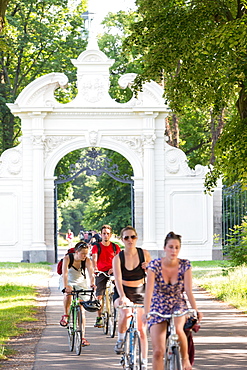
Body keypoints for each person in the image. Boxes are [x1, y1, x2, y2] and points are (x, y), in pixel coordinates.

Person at [142, 231, 203, 370]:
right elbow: (149, 292)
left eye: (176, 247)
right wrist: (146, 312)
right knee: (158, 351)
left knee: (178, 329)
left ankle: (185, 360)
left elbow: (188, 290)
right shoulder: (154, 265)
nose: (173, 250)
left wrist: (195, 310)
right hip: (158, 305)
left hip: (177, 303)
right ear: (164, 248)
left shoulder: (185, 265)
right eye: (170, 247)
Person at [113, 226, 151, 370]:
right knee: (126, 313)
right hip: (122, 290)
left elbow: (153, 275)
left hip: (141, 291)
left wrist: (148, 268)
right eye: (126, 238)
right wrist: (122, 296)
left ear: (136, 238)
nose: (130, 240)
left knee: (142, 329)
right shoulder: (118, 258)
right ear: (122, 240)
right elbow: (117, 278)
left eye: (133, 237)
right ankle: (121, 339)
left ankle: (144, 362)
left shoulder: (144, 254)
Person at [59, 241, 95, 346]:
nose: (85, 256)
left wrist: (92, 284)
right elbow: (65, 274)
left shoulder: (87, 260)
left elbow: (91, 273)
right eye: (83, 253)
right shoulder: (68, 258)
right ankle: (65, 315)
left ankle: (83, 337)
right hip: (67, 280)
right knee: (68, 295)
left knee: (81, 310)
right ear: (76, 252)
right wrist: (66, 286)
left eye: (86, 253)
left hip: (80, 282)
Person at [91, 224, 121, 327]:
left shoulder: (115, 247)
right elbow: (94, 258)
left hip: (112, 271)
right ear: (101, 234)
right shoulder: (97, 246)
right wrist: (95, 268)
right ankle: (99, 317)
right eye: (104, 234)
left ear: (111, 235)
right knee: (99, 295)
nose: (106, 236)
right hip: (101, 272)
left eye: (108, 234)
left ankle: (118, 310)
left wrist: (114, 268)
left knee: (119, 289)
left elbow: (119, 259)